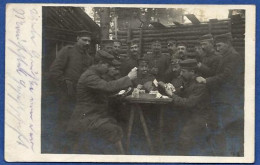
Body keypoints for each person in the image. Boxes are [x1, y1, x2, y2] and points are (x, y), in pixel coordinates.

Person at [66, 50, 137, 154]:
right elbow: (107, 87)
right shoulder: (90, 76)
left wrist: (120, 94)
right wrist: (128, 78)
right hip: (86, 117)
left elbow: (103, 92)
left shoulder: (95, 74)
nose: (109, 69)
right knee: (113, 129)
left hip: (92, 114)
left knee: (115, 125)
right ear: (100, 63)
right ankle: (120, 157)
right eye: (108, 66)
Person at [196, 33, 244, 156]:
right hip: (223, 97)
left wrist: (207, 80)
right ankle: (224, 153)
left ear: (228, 44)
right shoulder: (225, 56)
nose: (218, 48)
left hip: (229, 98)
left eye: (220, 45)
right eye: (216, 46)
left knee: (229, 128)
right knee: (222, 127)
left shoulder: (234, 56)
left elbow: (227, 76)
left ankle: (231, 155)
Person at [49, 30, 94, 151]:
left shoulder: (89, 58)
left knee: (77, 122)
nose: (87, 43)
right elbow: (54, 71)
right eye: (84, 40)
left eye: (89, 41)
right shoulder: (67, 51)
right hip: (66, 94)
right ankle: (58, 148)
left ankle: (73, 149)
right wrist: (65, 85)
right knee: (64, 120)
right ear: (77, 38)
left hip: (82, 96)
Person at [159, 59, 215, 155]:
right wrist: (170, 90)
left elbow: (189, 103)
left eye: (183, 71)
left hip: (200, 116)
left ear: (192, 72)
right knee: (169, 127)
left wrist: (172, 95)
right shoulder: (189, 81)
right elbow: (181, 93)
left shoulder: (200, 85)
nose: (181, 74)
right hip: (190, 114)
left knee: (184, 137)